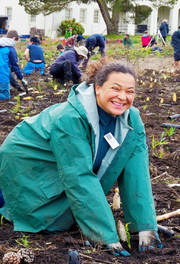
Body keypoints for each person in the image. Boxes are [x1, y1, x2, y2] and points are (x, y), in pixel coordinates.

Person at [0, 58, 163, 257]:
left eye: (130, 91)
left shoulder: (132, 119)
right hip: (26, 162)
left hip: (59, 163)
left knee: (73, 208)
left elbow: (137, 173)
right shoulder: (70, 118)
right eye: (116, 88)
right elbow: (79, 177)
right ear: (97, 88)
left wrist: (145, 225)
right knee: (48, 220)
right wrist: (105, 236)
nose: (123, 97)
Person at [0, 30, 27, 100]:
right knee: (5, 96)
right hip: (2, 75)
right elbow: (15, 65)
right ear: (14, 38)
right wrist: (21, 78)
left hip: (3, 71)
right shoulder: (10, 48)